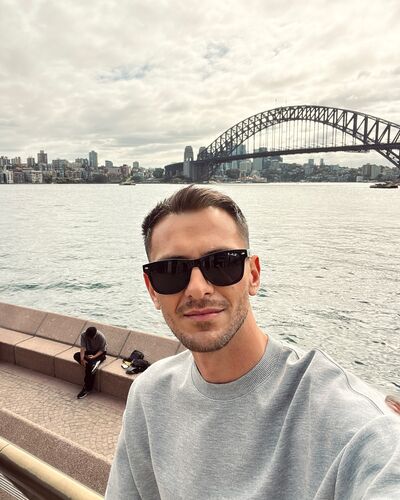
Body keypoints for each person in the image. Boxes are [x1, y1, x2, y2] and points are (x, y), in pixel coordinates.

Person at [106, 185, 400, 499]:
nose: (197, 288)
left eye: (222, 263)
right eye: (171, 271)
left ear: (254, 275)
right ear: (152, 289)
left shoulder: (357, 425)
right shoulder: (150, 396)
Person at [73, 326, 107, 399]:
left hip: (99, 353)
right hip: (89, 352)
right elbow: (83, 348)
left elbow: (102, 350)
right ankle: (94, 363)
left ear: (95, 335)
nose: (90, 339)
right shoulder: (83, 335)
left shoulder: (101, 337)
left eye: (92, 338)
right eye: (89, 338)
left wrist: (94, 357)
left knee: (89, 367)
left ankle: (87, 388)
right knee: (76, 355)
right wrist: (82, 359)